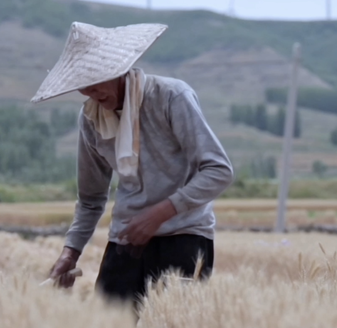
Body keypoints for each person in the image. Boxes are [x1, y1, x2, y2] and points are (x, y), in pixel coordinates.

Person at [30, 22, 235, 307]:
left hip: (184, 238)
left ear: (119, 70)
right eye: (83, 87)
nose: (92, 93)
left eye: (98, 81)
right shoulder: (91, 119)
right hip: (126, 240)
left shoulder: (171, 97)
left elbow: (218, 170)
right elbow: (91, 200)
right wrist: (70, 253)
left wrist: (158, 215)